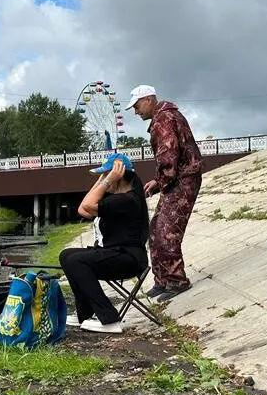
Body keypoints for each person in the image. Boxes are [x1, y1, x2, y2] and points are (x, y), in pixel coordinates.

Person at [125, 84, 203, 303]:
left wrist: (162, 181)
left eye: (137, 105)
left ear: (149, 99)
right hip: (178, 180)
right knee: (155, 229)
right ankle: (163, 280)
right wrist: (158, 183)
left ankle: (177, 281)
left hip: (182, 181)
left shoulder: (163, 120)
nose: (135, 110)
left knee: (167, 231)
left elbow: (169, 157)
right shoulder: (166, 117)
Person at [58, 152, 150, 334]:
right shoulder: (117, 198)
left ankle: (109, 319)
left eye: (107, 175)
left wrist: (106, 181)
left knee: (77, 261)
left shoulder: (128, 200)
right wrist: (103, 180)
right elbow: (83, 210)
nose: (104, 180)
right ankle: (85, 314)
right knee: (66, 255)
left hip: (128, 259)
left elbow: (88, 205)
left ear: (119, 175)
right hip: (115, 254)